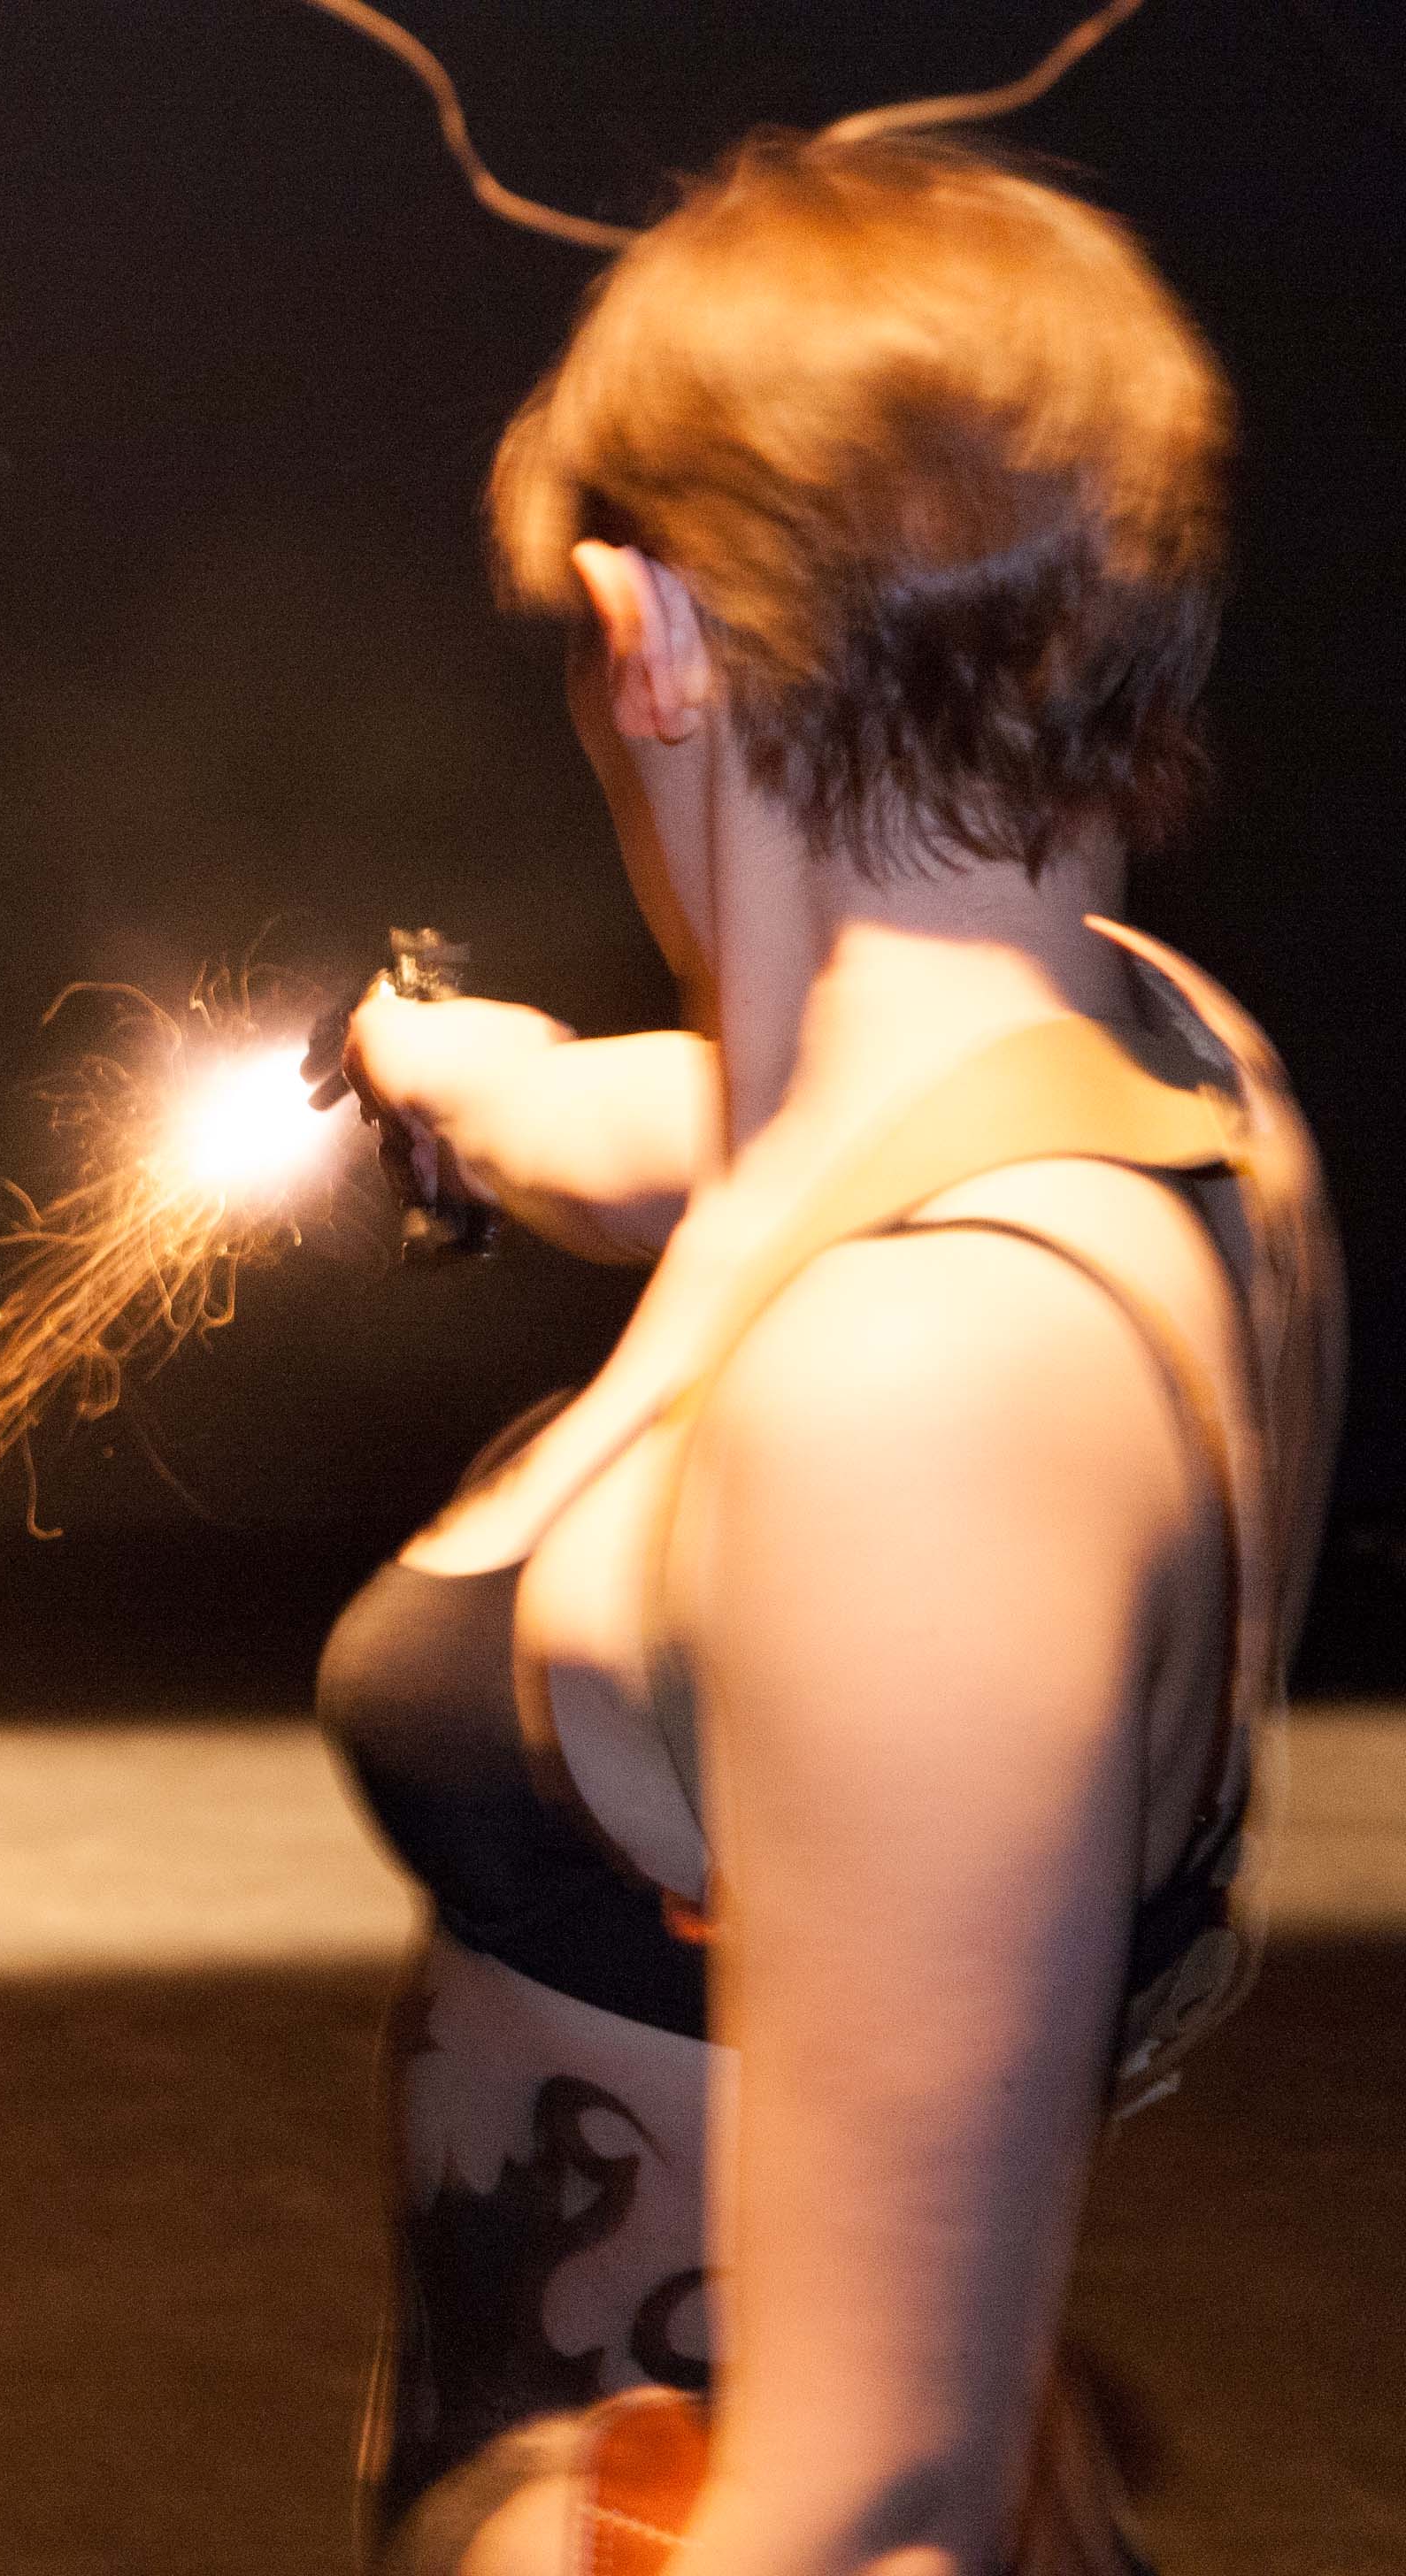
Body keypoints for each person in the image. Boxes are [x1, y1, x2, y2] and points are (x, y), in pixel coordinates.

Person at [311, 134, 1341, 2576]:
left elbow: (871, 2510)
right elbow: (694, 1139)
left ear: (643, 629)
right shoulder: (1160, 1066)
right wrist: (471, 1082)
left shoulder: (919, 1397)